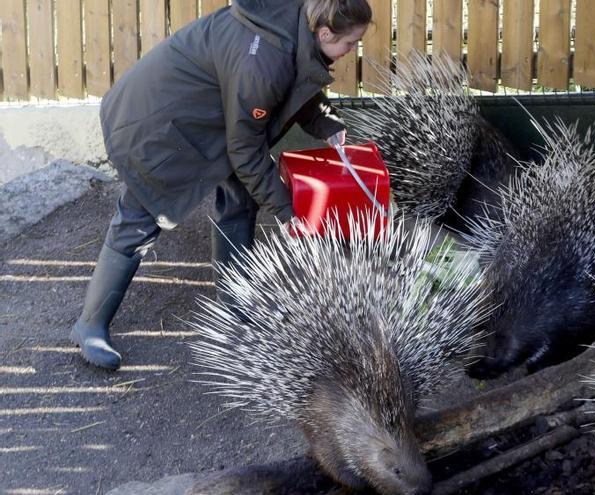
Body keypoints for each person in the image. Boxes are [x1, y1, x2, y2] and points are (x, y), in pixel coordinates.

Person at [71, 0, 372, 370]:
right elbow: (245, 149)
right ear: (324, 33)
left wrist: (327, 122)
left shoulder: (292, 27)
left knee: (240, 197)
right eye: (350, 43)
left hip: (210, 118)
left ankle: (235, 305)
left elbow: (294, 84)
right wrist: (287, 210)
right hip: (154, 124)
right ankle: (90, 325)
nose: (352, 51)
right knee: (140, 218)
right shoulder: (264, 60)